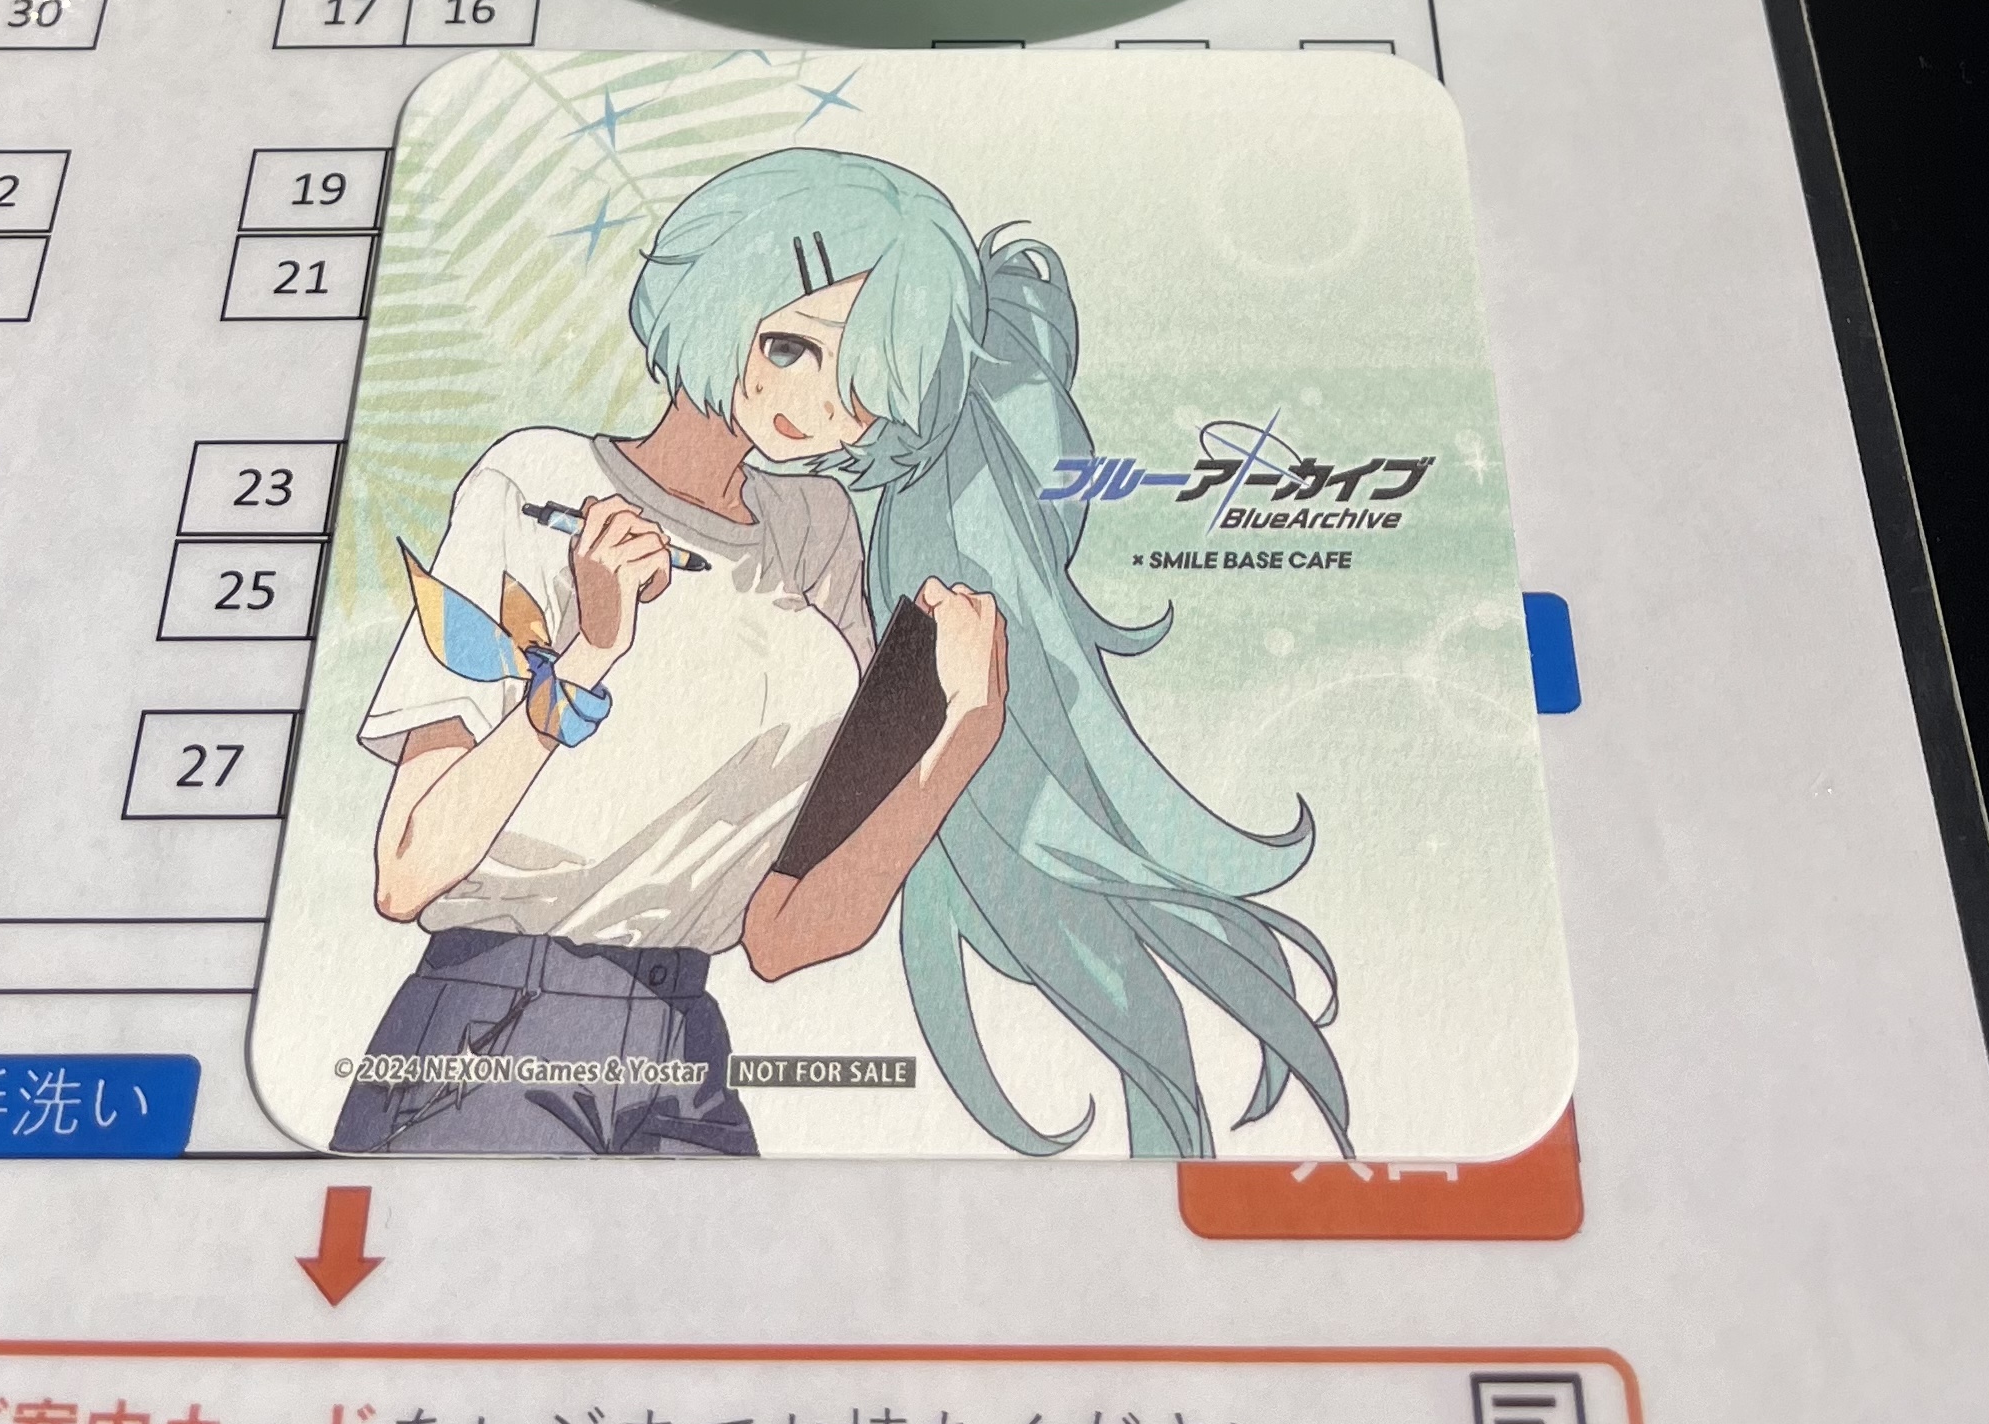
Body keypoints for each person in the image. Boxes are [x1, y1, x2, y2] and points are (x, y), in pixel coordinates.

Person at [332, 146, 1346, 1160]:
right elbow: (408, 870)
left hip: (685, 1041)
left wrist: (963, 732)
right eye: (790, 347)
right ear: (718, 294)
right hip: (493, 1024)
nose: (817, 407)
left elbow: (789, 932)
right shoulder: (535, 481)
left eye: (860, 386)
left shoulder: (816, 530)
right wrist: (591, 656)